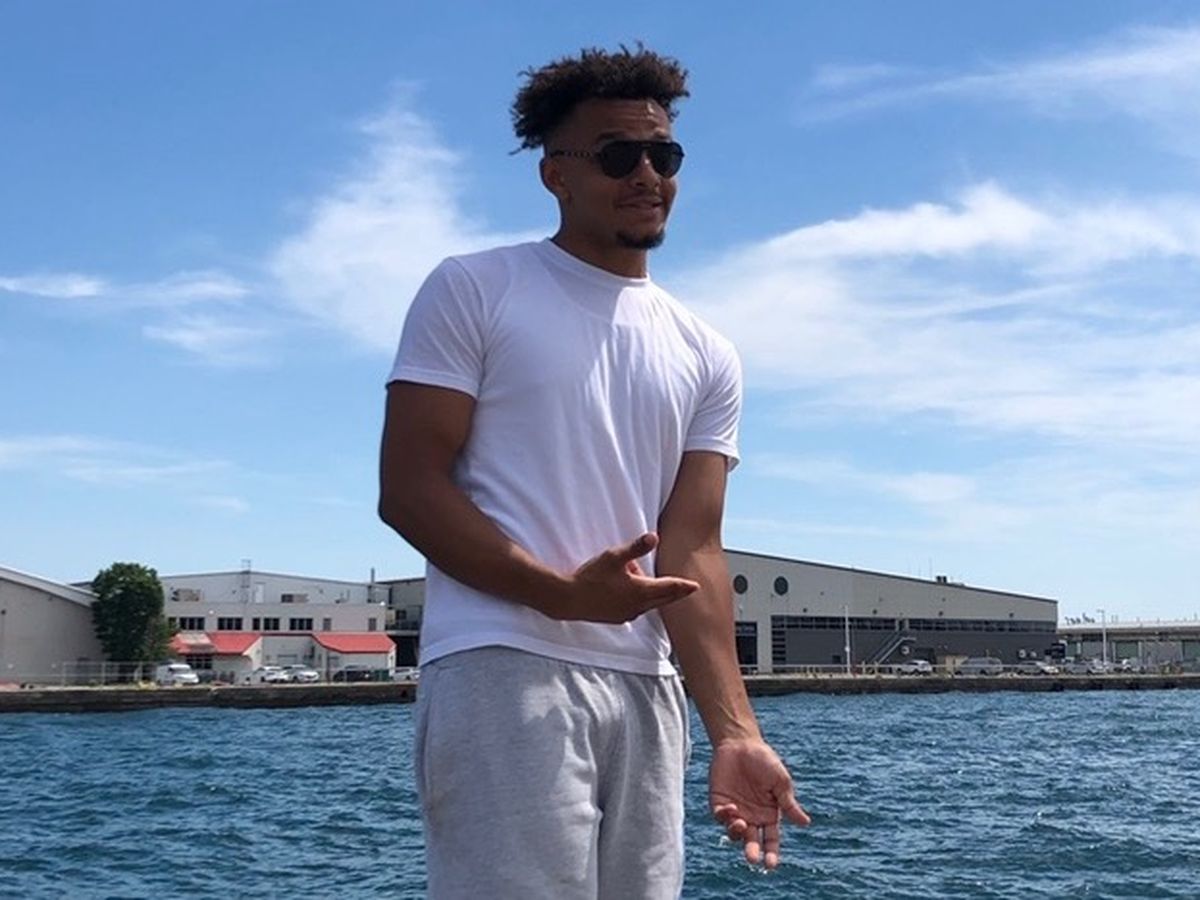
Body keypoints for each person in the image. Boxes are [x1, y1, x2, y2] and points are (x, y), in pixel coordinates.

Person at [378, 45, 809, 899]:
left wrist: (735, 730)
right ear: (557, 175)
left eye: (664, 155)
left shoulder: (708, 352)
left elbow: (695, 551)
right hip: (504, 669)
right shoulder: (474, 289)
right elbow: (411, 489)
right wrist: (561, 594)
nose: (648, 174)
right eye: (619, 155)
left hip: (647, 686)